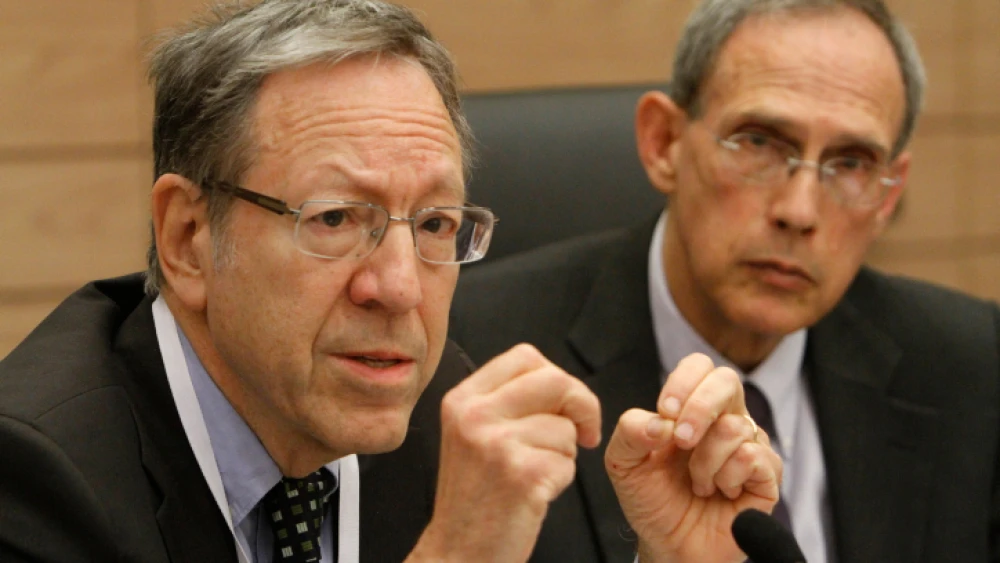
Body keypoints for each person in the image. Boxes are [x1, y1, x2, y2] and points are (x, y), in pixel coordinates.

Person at [0, 1, 781, 562]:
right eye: (337, 218)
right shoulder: (36, 479)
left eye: (437, 224)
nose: (401, 287)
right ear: (189, 238)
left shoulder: (455, 417)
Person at [449, 0, 1000, 562]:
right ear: (664, 142)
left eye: (851, 163)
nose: (799, 210)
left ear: (890, 192)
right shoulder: (471, 357)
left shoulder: (974, 370)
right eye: (760, 143)